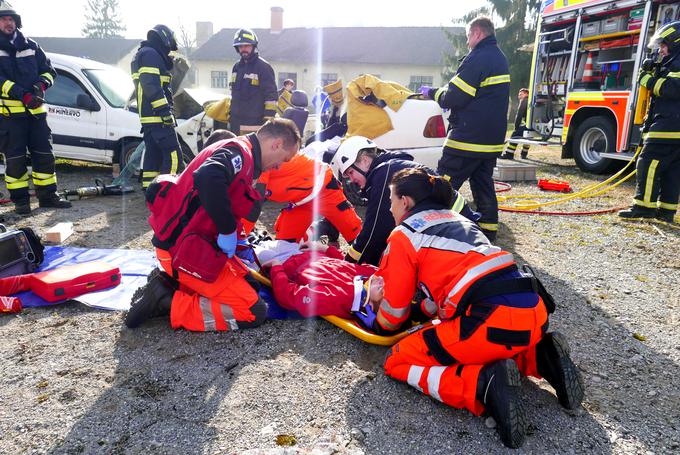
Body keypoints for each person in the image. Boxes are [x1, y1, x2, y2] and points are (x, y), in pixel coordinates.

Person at [361, 168, 584, 448]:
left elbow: (393, 317)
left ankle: (483, 385)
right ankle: (541, 355)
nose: (390, 208)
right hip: (533, 311)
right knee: (486, 342)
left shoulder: (404, 234)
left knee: (399, 360)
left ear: (405, 201)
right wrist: (423, 309)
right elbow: (447, 293)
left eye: (391, 200)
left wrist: (376, 316)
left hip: (489, 320)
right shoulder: (458, 219)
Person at [124, 119, 300, 331]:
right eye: (284, 159)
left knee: (252, 286)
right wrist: (226, 230)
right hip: (184, 252)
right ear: (276, 144)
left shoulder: (241, 153)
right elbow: (209, 176)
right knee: (252, 312)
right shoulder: (240, 154)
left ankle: (171, 283)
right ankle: (167, 301)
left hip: (191, 247)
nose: (280, 166)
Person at [420, 17, 510, 242]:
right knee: (483, 184)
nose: (468, 41)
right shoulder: (499, 57)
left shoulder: (478, 58)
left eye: (469, 36)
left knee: (443, 185)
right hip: (491, 141)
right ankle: (488, 231)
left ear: (478, 33)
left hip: (468, 139)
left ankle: (432, 229)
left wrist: (432, 93)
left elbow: (455, 97)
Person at [331, 136, 478, 266]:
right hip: (461, 231)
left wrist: (349, 263)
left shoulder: (383, 175)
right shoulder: (389, 168)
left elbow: (374, 233)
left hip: (459, 240)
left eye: (350, 172)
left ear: (364, 160)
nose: (351, 180)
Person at [0, 1, 71, 214]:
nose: (8, 23)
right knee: (15, 160)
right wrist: (21, 93)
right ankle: (21, 202)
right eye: (3, 19)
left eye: (11, 19)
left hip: (36, 114)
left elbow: (49, 71)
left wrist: (40, 86)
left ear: (17, 22)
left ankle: (48, 196)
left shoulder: (31, 46)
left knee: (44, 156)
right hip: (10, 117)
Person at [619, 21, 680, 224]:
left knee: (648, 163)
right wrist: (654, 71)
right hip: (672, 126)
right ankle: (666, 211)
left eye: (663, 45)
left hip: (670, 126)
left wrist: (646, 79)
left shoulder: (678, 62)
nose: (661, 50)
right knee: (671, 169)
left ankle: (644, 208)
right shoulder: (672, 61)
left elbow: (672, 89)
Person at [245, 150, 362, 244]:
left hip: (323, 187)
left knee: (357, 238)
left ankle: (327, 225)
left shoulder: (258, 157)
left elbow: (255, 202)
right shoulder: (246, 158)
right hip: (299, 200)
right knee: (286, 243)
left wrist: (240, 235)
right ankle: (323, 227)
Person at [261, 241, 377, 318]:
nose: (382, 281)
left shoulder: (337, 298)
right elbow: (346, 264)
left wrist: (276, 268)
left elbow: (288, 296)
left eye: (383, 291)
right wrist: (326, 249)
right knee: (269, 243)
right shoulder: (372, 277)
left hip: (285, 263)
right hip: (310, 254)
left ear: (371, 306)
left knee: (250, 251)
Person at [131, 24, 183, 190]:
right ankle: (167, 191)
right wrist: (164, 111)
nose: (169, 53)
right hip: (157, 116)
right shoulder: (151, 55)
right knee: (174, 154)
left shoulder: (144, 54)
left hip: (149, 118)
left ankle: (150, 190)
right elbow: (151, 85)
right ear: (165, 40)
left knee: (153, 156)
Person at [229, 29, 278, 135]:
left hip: (255, 126)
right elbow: (234, 94)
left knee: (253, 152)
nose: (243, 49)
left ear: (253, 46)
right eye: (240, 47)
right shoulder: (236, 67)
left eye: (247, 46)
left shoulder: (263, 67)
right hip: (235, 124)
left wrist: (267, 120)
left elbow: (271, 96)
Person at [500, 88, 531, 160]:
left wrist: (516, 127)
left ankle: (509, 154)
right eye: (519, 95)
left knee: (515, 135)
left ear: (527, 94)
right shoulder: (531, 100)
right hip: (533, 126)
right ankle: (524, 154)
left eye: (521, 94)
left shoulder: (524, 100)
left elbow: (519, 115)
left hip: (530, 125)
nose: (519, 96)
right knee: (529, 136)